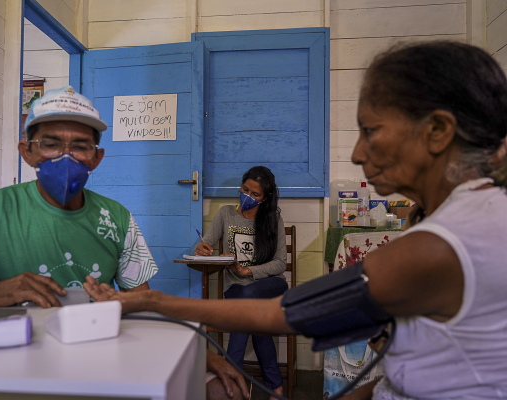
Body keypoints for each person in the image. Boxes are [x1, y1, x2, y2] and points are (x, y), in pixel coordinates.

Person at [83, 41, 507, 400]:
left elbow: (287, 313)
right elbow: (402, 377)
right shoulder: (475, 217)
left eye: (370, 130)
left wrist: (153, 302)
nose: (358, 153)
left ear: (437, 130)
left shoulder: (442, 244)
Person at [0, 86, 158, 307]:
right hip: (15, 334)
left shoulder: (118, 218)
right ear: (27, 153)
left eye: (80, 146)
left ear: (96, 159)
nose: (66, 157)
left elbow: (139, 299)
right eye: (50, 144)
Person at [195, 166, 287, 399]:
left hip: (270, 285)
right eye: (245, 189)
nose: (247, 196)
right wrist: (201, 249)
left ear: (265, 197)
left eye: (255, 194)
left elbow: (280, 264)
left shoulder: (273, 219)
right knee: (254, 315)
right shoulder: (225, 213)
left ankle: (231, 382)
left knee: (247, 302)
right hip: (236, 288)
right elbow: (205, 244)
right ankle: (275, 386)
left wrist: (247, 271)